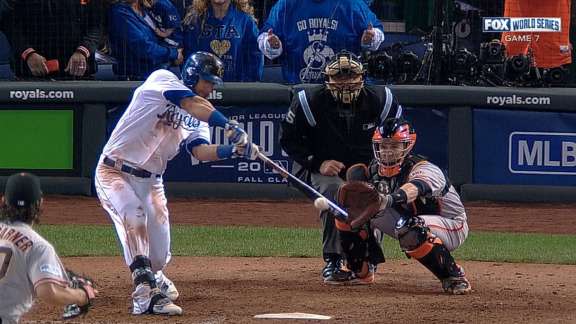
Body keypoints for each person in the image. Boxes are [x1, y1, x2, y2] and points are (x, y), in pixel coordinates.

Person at [94, 51, 258, 316]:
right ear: (193, 76)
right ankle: (144, 295)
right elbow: (191, 103)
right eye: (208, 81)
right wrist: (228, 124)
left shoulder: (198, 116)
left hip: (151, 182)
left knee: (158, 257)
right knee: (132, 215)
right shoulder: (164, 80)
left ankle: (154, 275)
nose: (212, 87)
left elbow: (200, 151)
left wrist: (234, 151)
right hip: (114, 172)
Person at [279, 50, 402, 283]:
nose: (345, 83)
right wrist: (318, 162)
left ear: (362, 77)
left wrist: (381, 169)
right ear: (327, 79)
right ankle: (333, 259)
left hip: (368, 167)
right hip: (319, 167)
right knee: (335, 193)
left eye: (350, 76)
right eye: (339, 77)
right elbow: (288, 141)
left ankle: (367, 258)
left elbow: (396, 136)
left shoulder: (382, 100)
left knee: (375, 195)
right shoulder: (309, 101)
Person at [322, 117, 472, 294]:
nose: (387, 151)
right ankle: (360, 271)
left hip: (450, 224)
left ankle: (453, 276)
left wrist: (390, 199)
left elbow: (416, 187)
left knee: (411, 228)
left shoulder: (424, 168)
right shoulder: (369, 171)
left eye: (394, 146)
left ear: (406, 146)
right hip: (406, 219)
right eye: (384, 146)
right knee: (347, 213)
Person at [0, 173, 98, 323]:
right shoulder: (39, 246)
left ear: (3, 201)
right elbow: (48, 292)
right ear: (40, 203)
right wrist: (82, 296)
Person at [259, 0, 384, 84]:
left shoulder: (353, 4)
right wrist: (272, 45)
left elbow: (376, 32)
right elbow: (265, 37)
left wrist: (370, 38)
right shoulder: (285, 5)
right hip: (298, 91)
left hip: (343, 92)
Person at [4, 0, 101, 80]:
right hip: (30, 74)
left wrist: (83, 51)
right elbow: (11, 24)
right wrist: (28, 53)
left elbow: (98, 25)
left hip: (79, 74)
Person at [182, 0, 263, 82]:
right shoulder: (195, 21)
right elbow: (189, 57)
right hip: (203, 89)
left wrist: (247, 86)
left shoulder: (245, 21)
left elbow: (254, 57)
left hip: (237, 88)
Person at [108, 0, 184, 80]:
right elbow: (142, 47)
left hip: (160, 71)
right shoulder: (119, 12)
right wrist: (173, 53)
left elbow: (166, 34)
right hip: (135, 78)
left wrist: (177, 49)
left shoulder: (147, 8)